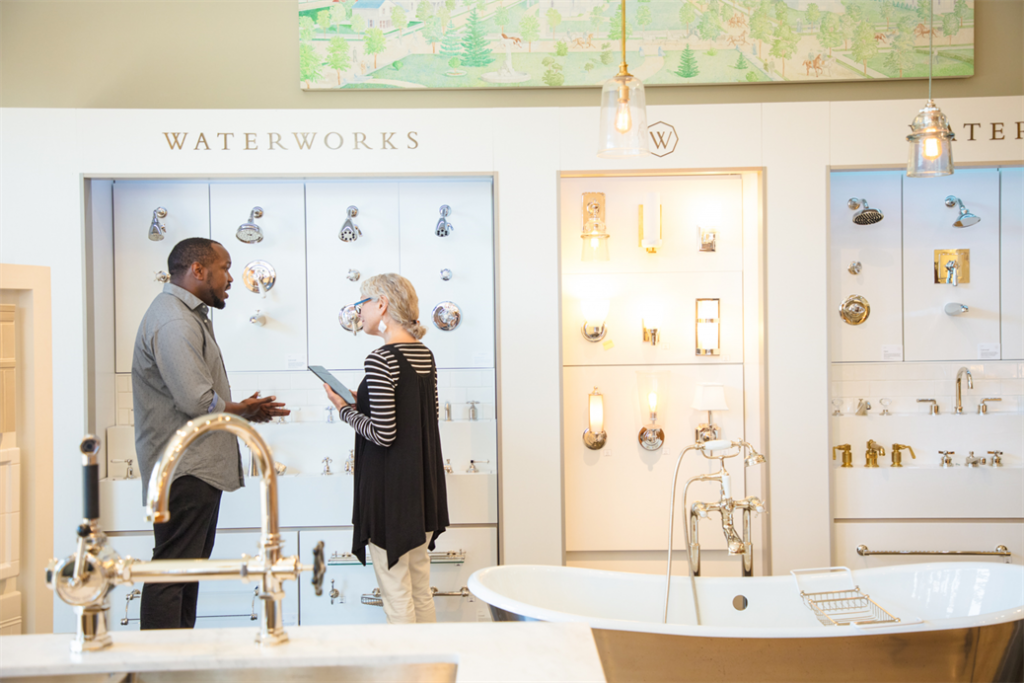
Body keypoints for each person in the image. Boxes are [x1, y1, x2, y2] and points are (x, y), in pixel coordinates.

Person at [132, 237, 289, 630]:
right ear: (198, 270)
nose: (231, 277)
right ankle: (161, 668)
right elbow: (197, 400)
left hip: (191, 466)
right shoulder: (173, 320)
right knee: (172, 571)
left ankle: (179, 659)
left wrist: (242, 412)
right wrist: (241, 411)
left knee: (185, 569)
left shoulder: (187, 315)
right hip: (185, 467)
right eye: (225, 267)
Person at [324, 273, 449, 624]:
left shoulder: (381, 359)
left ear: (382, 305)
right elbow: (426, 418)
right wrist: (362, 401)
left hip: (390, 496)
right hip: (422, 491)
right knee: (420, 588)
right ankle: (431, 672)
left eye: (362, 304)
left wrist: (344, 409)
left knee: (395, 594)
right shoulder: (424, 355)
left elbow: (382, 434)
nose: (359, 312)